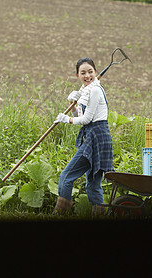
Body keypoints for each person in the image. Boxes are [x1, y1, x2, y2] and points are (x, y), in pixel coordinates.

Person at [53, 57, 114, 215]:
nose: (87, 75)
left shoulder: (94, 90)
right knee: (92, 184)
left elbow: (86, 120)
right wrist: (73, 104)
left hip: (97, 137)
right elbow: (81, 115)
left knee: (66, 176)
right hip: (96, 136)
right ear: (77, 75)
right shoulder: (85, 91)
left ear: (96, 72)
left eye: (90, 72)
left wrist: (67, 120)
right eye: (83, 73)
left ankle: (60, 215)